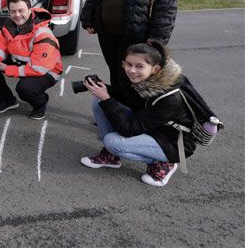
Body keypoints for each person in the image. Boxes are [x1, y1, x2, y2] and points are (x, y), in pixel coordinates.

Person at [80, 40, 198, 187]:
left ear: (155, 69)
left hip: (172, 141)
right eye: (129, 64)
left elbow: (129, 129)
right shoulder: (143, 79)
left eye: (139, 66)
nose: (132, 70)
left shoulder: (170, 98)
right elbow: (123, 98)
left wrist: (106, 97)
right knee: (99, 103)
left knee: (113, 141)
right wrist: (104, 89)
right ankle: (111, 156)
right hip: (151, 127)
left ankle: (164, 163)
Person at [0, 0, 62, 120]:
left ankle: (40, 103)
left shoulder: (43, 34)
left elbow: (38, 69)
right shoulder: (9, 28)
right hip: (23, 63)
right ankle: (8, 100)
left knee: (25, 88)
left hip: (47, 70)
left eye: (21, 10)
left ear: (29, 10)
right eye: (13, 11)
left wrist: (7, 68)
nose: (17, 15)